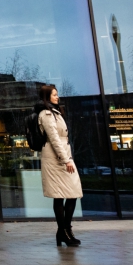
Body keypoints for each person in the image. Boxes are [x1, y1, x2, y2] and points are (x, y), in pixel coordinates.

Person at [35, 83, 83, 247]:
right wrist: (66, 160)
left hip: (63, 156)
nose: (58, 97)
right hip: (55, 159)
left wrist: (67, 158)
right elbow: (54, 139)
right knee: (59, 195)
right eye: (54, 94)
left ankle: (65, 231)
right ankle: (63, 232)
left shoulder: (55, 112)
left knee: (72, 193)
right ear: (47, 97)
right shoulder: (46, 114)